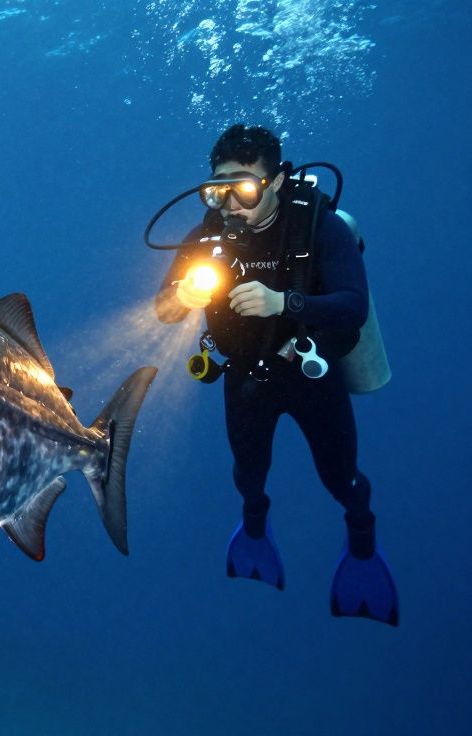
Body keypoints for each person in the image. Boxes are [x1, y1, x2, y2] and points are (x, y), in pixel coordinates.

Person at [154, 124, 398, 626]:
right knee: (248, 474)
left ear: (278, 182)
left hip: (311, 374)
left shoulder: (320, 228)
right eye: (218, 189)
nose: (230, 204)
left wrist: (281, 301)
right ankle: (254, 535)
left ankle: (362, 548)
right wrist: (181, 298)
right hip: (244, 378)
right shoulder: (206, 238)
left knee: (341, 478)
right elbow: (163, 311)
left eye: (243, 188)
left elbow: (352, 306)